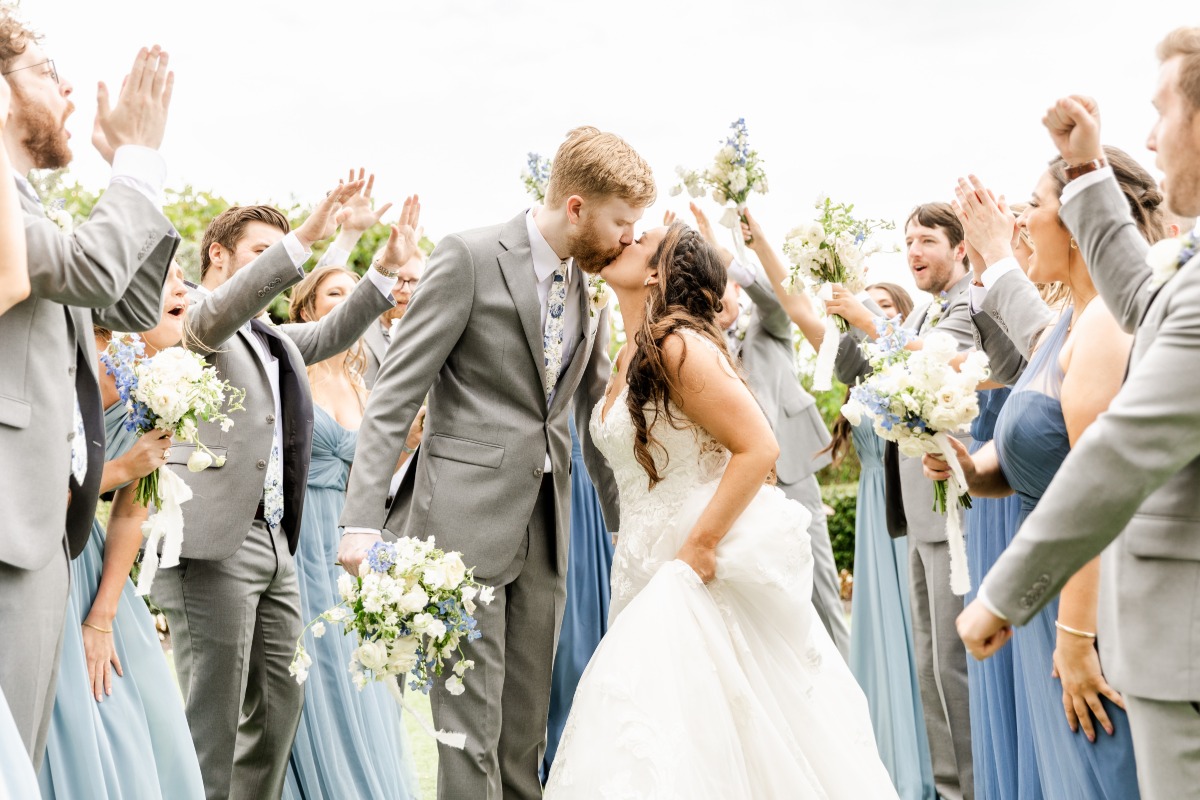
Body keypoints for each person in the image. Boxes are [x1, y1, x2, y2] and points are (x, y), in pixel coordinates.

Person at [338, 126, 652, 800]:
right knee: (468, 738)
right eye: (622, 222)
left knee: (523, 739)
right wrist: (359, 523)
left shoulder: (585, 288)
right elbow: (395, 394)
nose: (630, 238)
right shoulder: (469, 256)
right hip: (460, 529)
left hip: (547, 536)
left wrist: (629, 524)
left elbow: (594, 417)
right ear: (575, 207)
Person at [543, 222, 897, 798]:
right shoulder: (626, 350)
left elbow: (759, 447)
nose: (621, 240)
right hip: (640, 556)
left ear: (657, 271)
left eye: (637, 241)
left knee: (722, 722)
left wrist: (700, 546)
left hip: (694, 562)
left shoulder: (679, 346)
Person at [958, 28, 1200, 798]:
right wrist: (1088, 170)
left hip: (1179, 638)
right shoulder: (1174, 280)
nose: (1153, 141)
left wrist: (1005, 594)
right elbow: (1149, 300)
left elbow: (1117, 452)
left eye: (1163, 113)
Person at [150, 187, 409, 800]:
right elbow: (235, 304)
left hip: (276, 541)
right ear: (219, 256)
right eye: (261, 252)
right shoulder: (200, 315)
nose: (276, 264)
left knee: (281, 705)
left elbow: (335, 328)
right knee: (211, 716)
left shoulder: (271, 338)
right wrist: (310, 237)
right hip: (213, 541)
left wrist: (386, 268)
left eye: (278, 251)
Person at [0, 13, 179, 764]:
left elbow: (130, 305)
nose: (69, 87)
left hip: (41, 523)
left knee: (25, 752)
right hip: (9, 514)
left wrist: (127, 170)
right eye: (45, 71)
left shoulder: (32, 210)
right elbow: (98, 271)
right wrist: (135, 160)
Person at [40, 264, 205, 799]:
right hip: (31, 553)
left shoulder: (163, 385)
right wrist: (117, 470)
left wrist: (103, 614)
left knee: (138, 714)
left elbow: (132, 511)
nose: (182, 290)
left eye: (184, 279)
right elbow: (23, 497)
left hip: (90, 566)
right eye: (167, 279)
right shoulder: (55, 354)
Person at [686, 202, 850, 659]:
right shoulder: (698, 344)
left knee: (821, 590)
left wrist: (727, 256)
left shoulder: (769, 328)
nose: (717, 300)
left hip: (792, 473)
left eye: (724, 289)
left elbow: (777, 300)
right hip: (737, 483)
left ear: (736, 288)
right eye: (706, 292)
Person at [281, 265, 420, 800]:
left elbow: (371, 477)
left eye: (351, 292)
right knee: (313, 665)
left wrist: (406, 443)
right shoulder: (293, 373)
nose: (346, 301)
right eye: (333, 293)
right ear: (308, 308)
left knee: (358, 662)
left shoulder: (364, 386)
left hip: (351, 542)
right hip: (301, 534)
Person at [820, 282, 938, 799]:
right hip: (875, 515)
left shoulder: (917, 373)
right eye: (866, 306)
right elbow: (798, 309)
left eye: (883, 306)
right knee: (881, 633)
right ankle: (889, 763)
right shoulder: (857, 380)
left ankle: (930, 761)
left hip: (909, 514)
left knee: (919, 635)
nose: (871, 314)